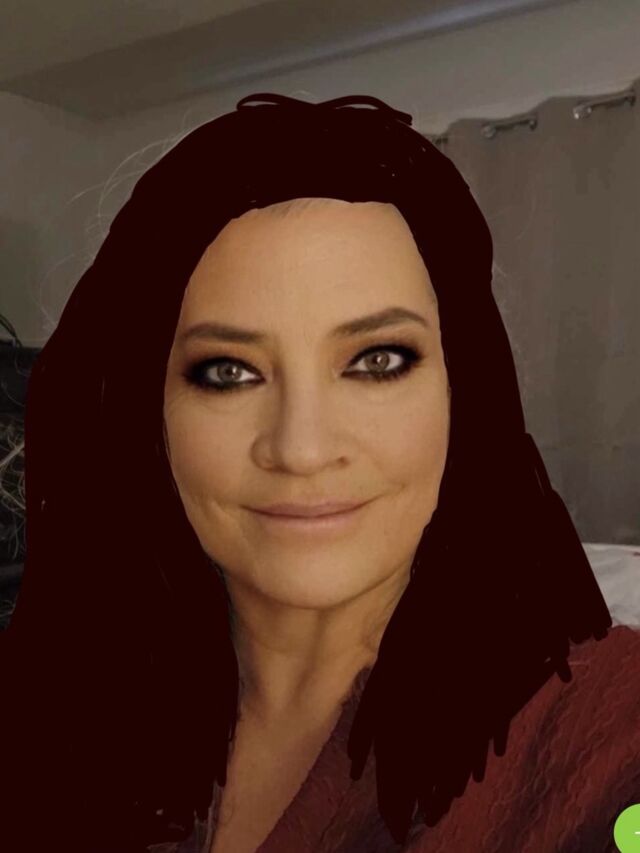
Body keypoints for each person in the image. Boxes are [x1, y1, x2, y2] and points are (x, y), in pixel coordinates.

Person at [0, 92, 637, 853]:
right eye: (228, 371)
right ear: (145, 414)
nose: (301, 449)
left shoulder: (599, 729)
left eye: (377, 360)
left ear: (464, 390)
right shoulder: (56, 701)